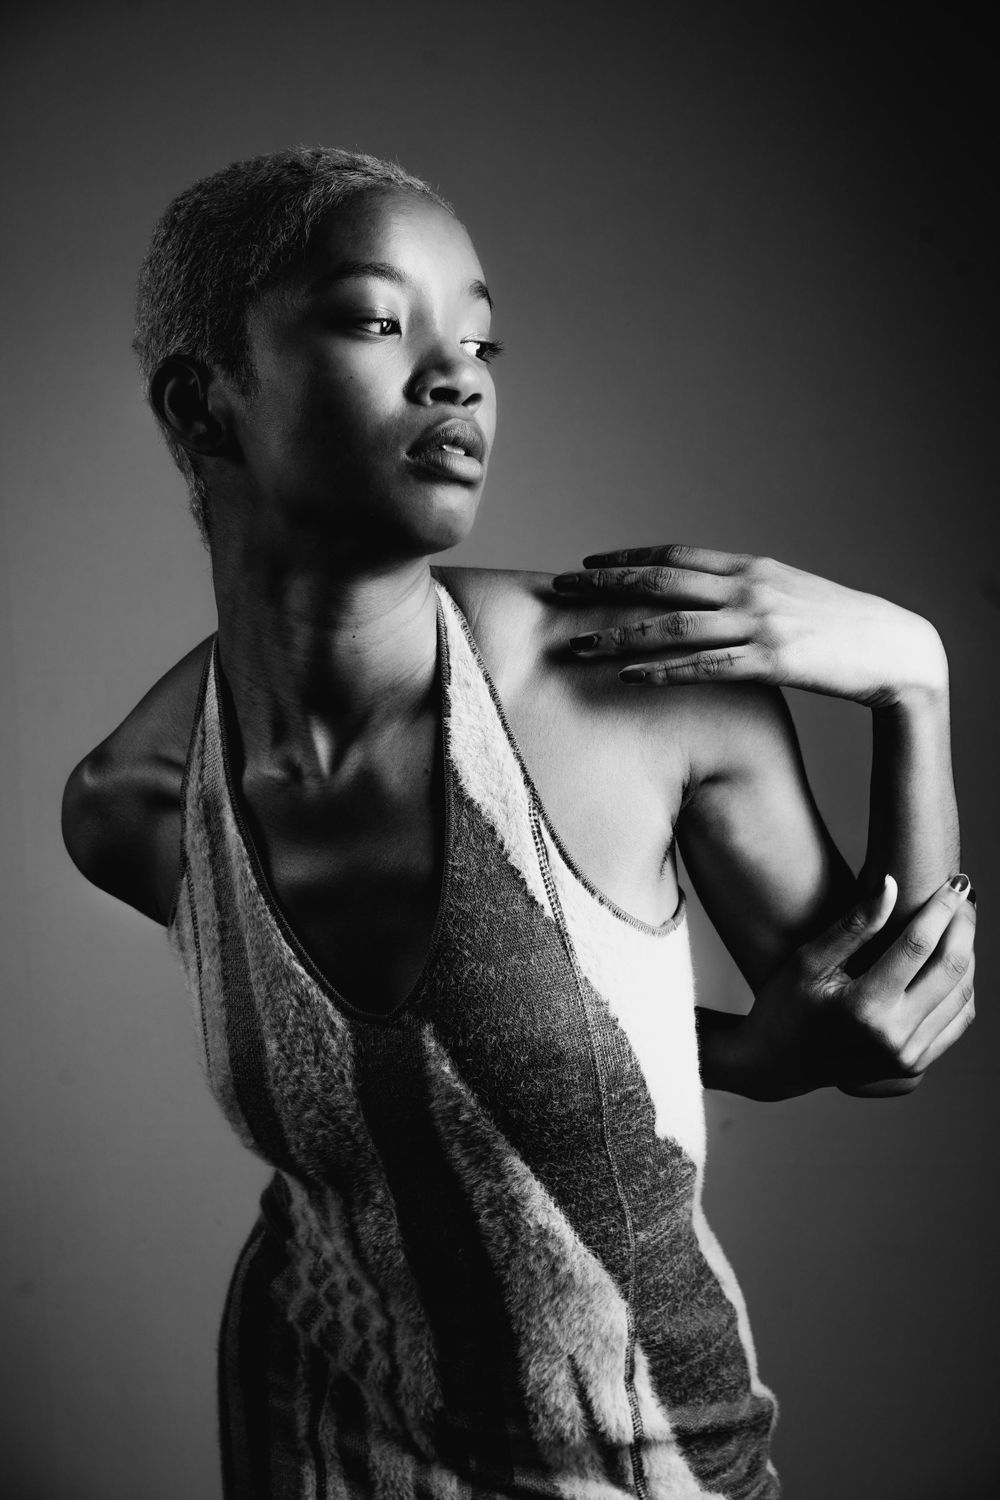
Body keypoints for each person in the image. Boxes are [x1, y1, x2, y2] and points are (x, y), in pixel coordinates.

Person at [61, 147, 974, 1500]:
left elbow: (889, 1038)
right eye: (380, 321)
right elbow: (423, 1069)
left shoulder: (630, 682)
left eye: (483, 338)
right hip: (310, 1444)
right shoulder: (137, 802)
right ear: (204, 406)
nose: (460, 376)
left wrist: (915, 675)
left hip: (647, 1462)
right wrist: (747, 1054)